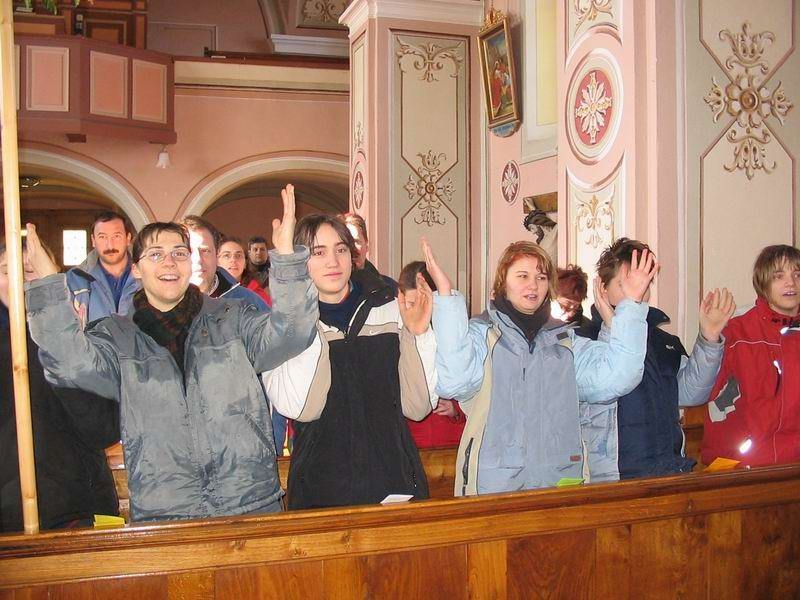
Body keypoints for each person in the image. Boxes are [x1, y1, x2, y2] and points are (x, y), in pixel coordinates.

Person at [24, 185, 318, 522]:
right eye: (155, 254)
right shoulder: (118, 336)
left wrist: (287, 258)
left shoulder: (231, 318)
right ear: (136, 269)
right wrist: (47, 285)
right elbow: (69, 363)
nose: (169, 261)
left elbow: (292, 333)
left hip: (249, 500)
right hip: (165, 510)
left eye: (179, 252)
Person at [426, 238, 654, 496]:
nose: (533, 285)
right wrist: (446, 298)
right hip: (494, 488)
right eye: (522, 276)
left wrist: (631, 305)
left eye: (541, 277)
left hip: (558, 485)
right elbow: (454, 381)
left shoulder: (565, 342)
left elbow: (617, 377)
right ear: (503, 283)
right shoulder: (484, 336)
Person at [263, 214, 436, 509]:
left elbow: (418, 407)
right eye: (318, 252)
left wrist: (417, 335)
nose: (333, 261)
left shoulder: (388, 308)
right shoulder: (282, 326)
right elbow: (301, 408)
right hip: (320, 490)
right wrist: (301, 314)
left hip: (393, 484)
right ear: (299, 261)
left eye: (340, 249)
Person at [579, 238, 734, 480]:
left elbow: (690, 394)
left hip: (668, 468)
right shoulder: (583, 338)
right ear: (602, 288)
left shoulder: (662, 341)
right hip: (615, 477)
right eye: (626, 283)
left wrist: (709, 339)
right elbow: (611, 379)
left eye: (644, 283)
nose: (638, 291)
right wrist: (614, 326)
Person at [1, 237, 119, 532]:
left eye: (31, 270)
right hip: (9, 515)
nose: (19, 280)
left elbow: (103, 429)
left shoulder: (85, 341)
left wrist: (66, 345)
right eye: (7, 270)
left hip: (77, 507)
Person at [701, 244, 800, 468]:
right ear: (763, 282)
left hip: (794, 466)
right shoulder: (737, 332)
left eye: (797, 274)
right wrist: (709, 337)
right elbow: (708, 396)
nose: (791, 283)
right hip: (743, 466)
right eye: (779, 276)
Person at [398, 261, 465, 449]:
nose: (418, 311)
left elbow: (476, 392)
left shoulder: (454, 332)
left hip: (451, 442)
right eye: (411, 304)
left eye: (424, 302)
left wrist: (456, 409)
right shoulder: (394, 336)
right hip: (411, 443)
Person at [66, 211, 140, 327]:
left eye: (116, 236)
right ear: (93, 240)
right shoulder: (75, 279)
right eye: (102, 237)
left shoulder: (148, 274)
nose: (110, 245)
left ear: (128, 238)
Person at [180, 216, 269, 312]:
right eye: (189, 251)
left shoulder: (249, 302)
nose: (198, 259)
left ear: (216, 255)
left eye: (205, 251)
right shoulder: (168, 303)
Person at [338, 212, 398, 295]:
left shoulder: (390, 288)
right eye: (346, 243)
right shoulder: (325, 290)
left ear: (366, 245)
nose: (352, 249)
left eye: (356, 241)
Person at [218, 236, 271, 306]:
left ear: (245, 263)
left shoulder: (258, 296)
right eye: (226, 256)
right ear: (216, 262)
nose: (233, 260)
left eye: (238, 256)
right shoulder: (206, 291)